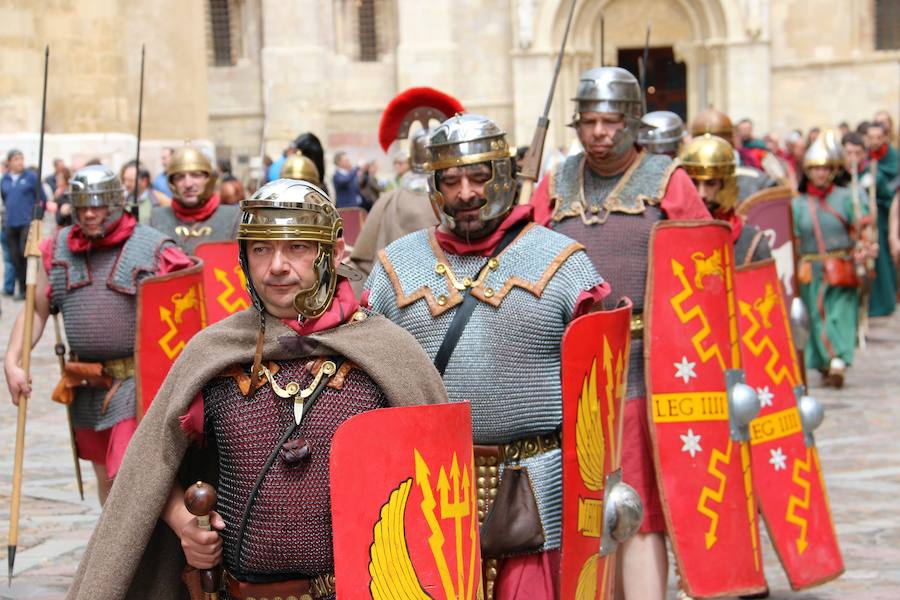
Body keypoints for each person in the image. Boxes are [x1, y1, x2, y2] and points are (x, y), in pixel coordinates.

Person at [67, 178, 448, 599]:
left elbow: (437, 494)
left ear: (334, 253)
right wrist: (182, 522)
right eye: (261, 249)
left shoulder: (387, 351)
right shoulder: (214, 352)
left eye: (297, 247)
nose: (277, 266)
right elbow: (150, 466)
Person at [366, 113, 611, 598]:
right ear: (433, 185)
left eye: (479, 177)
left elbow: (596, 393)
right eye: (451, 179)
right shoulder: (396, 265)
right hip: (427, 490)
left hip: (531, 487)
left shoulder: (563, 264)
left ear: (504, 174)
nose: (466, 192)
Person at [530, 66, 710, 600]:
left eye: (610, 121)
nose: (599, 133)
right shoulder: (557, 181)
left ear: (631, 121)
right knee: (582, 501)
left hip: (643, 365)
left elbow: (702, 266)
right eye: (588, 121)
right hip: (574, 369)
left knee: (639, 503)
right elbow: (526, 259)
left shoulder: (668, 179)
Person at [3, 165, 191, 503]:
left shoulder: (152, 247)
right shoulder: (57, 248)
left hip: (136, 387)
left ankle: (142, 551)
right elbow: (35, 309)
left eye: (99, 205)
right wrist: (12, 359)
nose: (90, 214)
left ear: (116, 202)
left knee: (127, 477)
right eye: (83, 205)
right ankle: (116, 553)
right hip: (86, 383)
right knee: (105, 478)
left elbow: (189, 304)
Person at [793, 137, 874, 388]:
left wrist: (864, 246)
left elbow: (861, 229)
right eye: (816, 168)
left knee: (840, 314)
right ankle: (826, 363)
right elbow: (794, 238)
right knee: (817, 317)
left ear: (833, 171)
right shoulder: (797, 204)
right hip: (811, 269)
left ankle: (838, 359)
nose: (820, 173)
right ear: (808, 171)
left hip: (842, 265)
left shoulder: (846, 197)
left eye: (825, 168)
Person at [680, 134, 771, 264]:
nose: (701, 194)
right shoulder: (674, 236)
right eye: (694, 183)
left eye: (710, 184)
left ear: (725, 185)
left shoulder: (751, 241)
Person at [149, 144, 241, 254]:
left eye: (195, 175)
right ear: (172, 183)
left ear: (208, 178)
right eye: (180, 177)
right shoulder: (156, 219)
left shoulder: (234, 218)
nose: (188, 184)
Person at [864, 122, 898, 317]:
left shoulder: (893, 159)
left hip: (885, 217)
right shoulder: (866, 159)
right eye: (871, 137)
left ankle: (885, 302)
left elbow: (891, 191)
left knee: (884, 258)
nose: (875, 141)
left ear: (885, 137)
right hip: (868, 217)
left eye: (879, 137)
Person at [1, 149, 44, 299]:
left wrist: (37, 218)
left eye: (21, 159)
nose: (19, 162)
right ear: (10, 162)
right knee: (15, 258)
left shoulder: (31, 177)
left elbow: (42, 198)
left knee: (25, 255)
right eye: (16, 159)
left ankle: (30, 289)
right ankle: (21, 289)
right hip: (10, 224)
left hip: (27, 222)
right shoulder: (4, 180)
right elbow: (5, 199)